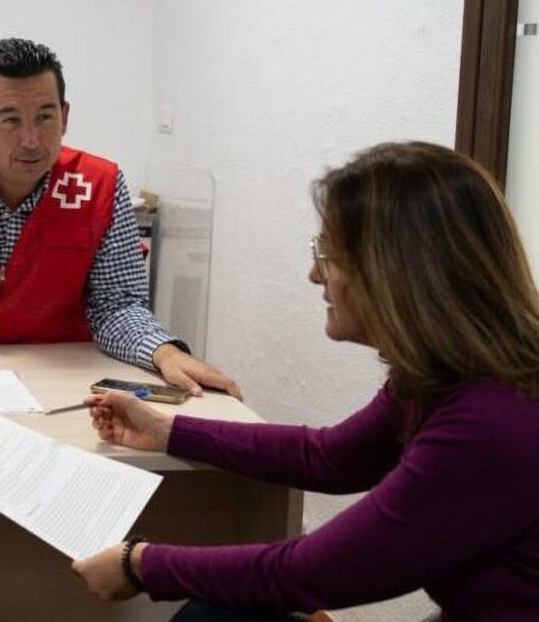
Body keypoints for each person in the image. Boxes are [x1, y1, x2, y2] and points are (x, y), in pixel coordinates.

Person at [73, 141, 539, 621]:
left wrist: (143, 565)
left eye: (330, 255)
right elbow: (329, 458)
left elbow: (312, 573)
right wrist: (167, 431)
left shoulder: (488, 423)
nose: (315, 274)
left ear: (394, 272)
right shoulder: (444, 376)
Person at [0, 38, 238, 399]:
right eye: (10, 120)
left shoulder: (99, 186)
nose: (31, 140)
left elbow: (117, 306)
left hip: (61, 380)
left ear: (66, 115)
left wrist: (165, 352)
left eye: (45, 117)